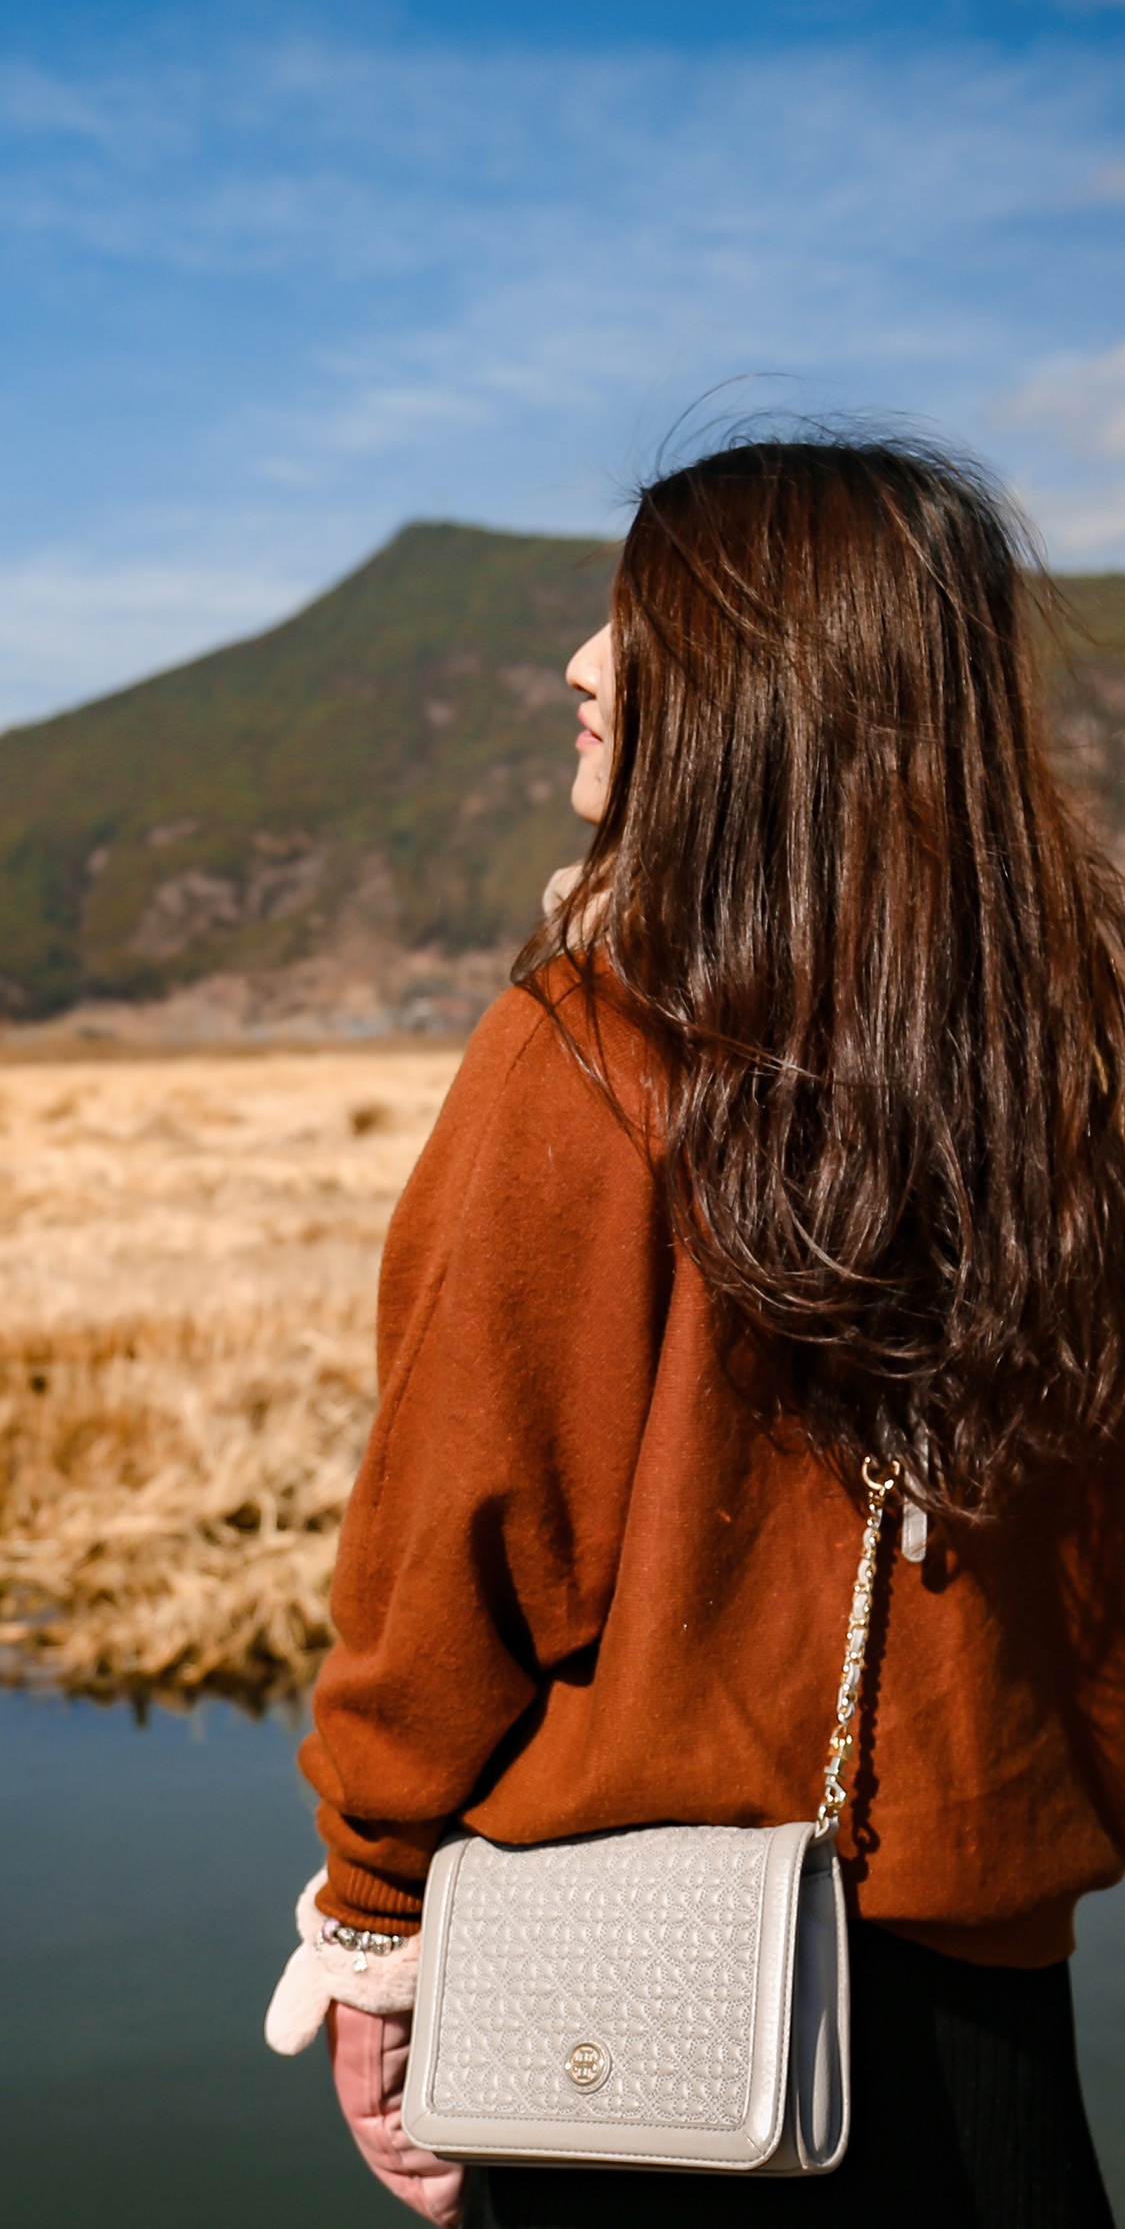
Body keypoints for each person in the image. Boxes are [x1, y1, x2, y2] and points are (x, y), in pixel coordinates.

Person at [266, 436, 1125, 2228]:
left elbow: (466, 1539)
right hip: (994, 2013)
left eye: (631, 620)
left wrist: (369, 1916)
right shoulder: (1076, 1065)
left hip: (628, 2020)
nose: (580, 668)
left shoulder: (593, 1044)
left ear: (762, 686)